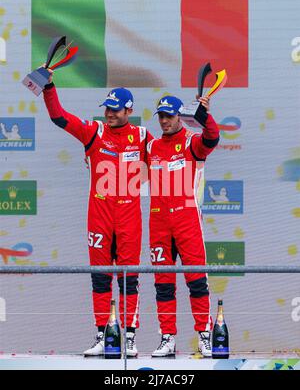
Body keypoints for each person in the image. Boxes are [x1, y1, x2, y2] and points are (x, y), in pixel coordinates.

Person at [42, 68, 153, 357]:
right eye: (107, 109)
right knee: (100, 279)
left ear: (129, 110)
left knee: (129, 279)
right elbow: (59, 117)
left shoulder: (142, 136)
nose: (110, 114)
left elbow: (172, 151)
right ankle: (104, 334)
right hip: (99, 217)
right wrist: (48, 87)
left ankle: (128, 336)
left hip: (129, 218)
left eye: (115, 110)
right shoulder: (94, 132)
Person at [147, 95, 219, 357]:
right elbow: (121, 156)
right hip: (158, 222)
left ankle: (204, 336)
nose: (164, 121)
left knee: (197, 281)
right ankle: (167, 338)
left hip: (187, 221)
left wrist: (204, 115)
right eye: (161, 117)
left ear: (179, 116)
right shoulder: (151, 146)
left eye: (169, 116)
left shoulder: (191, 142)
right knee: (163, 284)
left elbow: (212, 137)